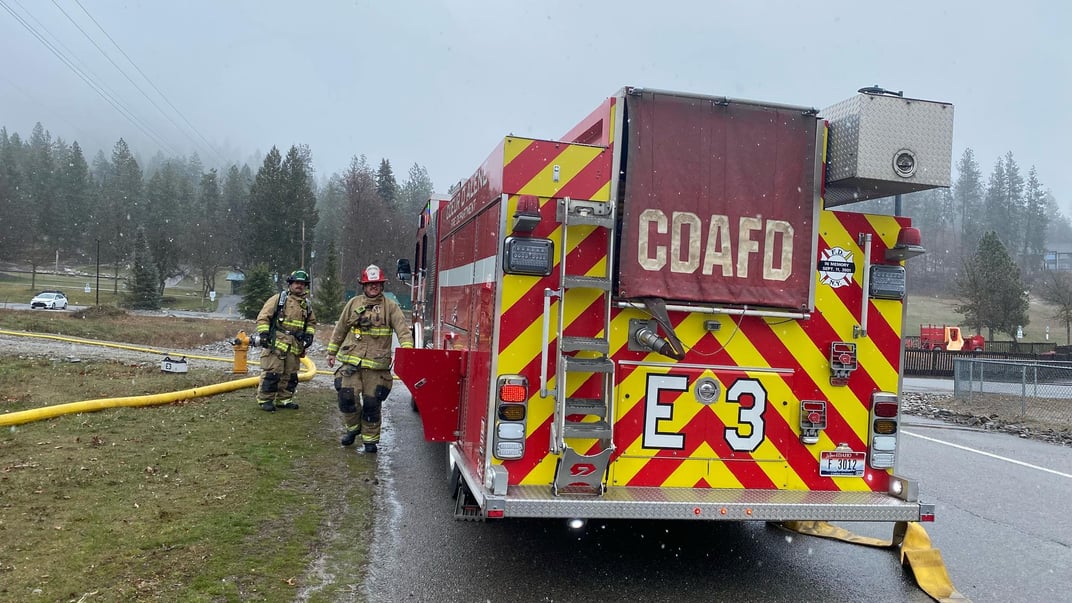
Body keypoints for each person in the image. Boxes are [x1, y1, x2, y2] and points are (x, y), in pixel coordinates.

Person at [327, 264, 413, 453]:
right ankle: (352, 429)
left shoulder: (391, 307)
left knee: (372, 404)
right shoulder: (353, 304)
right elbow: (341, 328)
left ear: (382, 285)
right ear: (363, 285)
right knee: (346, 397)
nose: (373, 287)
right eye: (370, 284)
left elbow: (403, 331)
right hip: (351, 362)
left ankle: (370, 441)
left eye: (377, 284)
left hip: (376, 367)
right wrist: (331, 352)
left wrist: (407, 353)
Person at [254, 269, 317, 411]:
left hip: (294, 345)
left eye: (302, 284)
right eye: (296, 283)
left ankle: (284, 399)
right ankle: (265, 400)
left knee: (290, 375)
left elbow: (311, 323)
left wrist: (309, 335)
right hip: (276, 343)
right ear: (290, 284)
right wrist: (264, 333)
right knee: (272, 373)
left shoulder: (306, 305)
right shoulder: (279, 299)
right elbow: (263, 317)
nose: (299, 286)